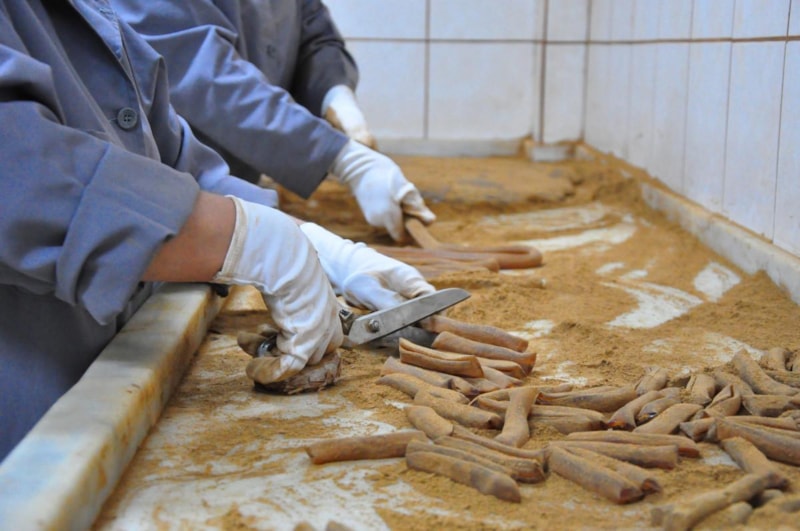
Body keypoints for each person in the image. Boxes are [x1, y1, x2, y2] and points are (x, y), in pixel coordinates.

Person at [0, 0, 434, 461]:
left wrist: (320, 247)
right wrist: (246, 238)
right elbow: (21, 172)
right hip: (31, 428)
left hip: (124, 384)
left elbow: (171, 159)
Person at [111, 0, 435, 242]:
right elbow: (203, 72)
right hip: (160, 203)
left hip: (240, 197)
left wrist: (335, 96)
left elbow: (312, 29)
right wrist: (340, 157)